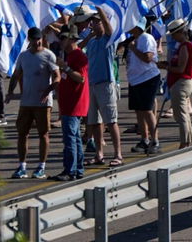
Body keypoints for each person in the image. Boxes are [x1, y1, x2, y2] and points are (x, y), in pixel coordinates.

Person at [7, 27, 60, 179]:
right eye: (34, 39)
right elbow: (16, 75)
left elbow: (57, 77)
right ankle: (22, 166)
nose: (37, 42)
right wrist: (10, 92)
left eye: (39, 39)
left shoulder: (48, 55)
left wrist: (48, 90)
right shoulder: (23, 56)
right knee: (22, 133)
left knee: (43, 133)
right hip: (26, 102)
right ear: (29, 40)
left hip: (43, 103)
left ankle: (41, 166)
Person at [84, 11, 122, 166]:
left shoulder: (109, 40)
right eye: (93, 22)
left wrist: (100, 10)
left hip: (106, 84)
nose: (95, 24)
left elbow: (109, 28)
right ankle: (99, 154)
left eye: (97, 21)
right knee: (94, 122)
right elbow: (77, 48)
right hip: (92, 84)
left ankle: (118, 154)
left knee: (111, 121)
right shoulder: (91, 42)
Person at [54, 28, 88, 180]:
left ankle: (70, 170)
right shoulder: (70, 55)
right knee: (75, 138)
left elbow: (81, 78)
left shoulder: (78, 56)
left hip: (74, 103)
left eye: (63, 38)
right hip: (68, 103)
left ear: (72, 39)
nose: (60, 41)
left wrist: (65, 67)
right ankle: (78, 169)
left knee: (70, 138)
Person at [125, 15, 161, 154]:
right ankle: (144, 139)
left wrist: (133, 49)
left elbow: (147, 58)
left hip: (147, 78)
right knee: (138, 110)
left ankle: (155, 139)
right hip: (135, 79)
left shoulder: (146, 38)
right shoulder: (134, 39)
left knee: (147, 110)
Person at [161, 18, 192, 149]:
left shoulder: (185, 46)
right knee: (183, 114)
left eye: (174, 34)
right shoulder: (182, 46)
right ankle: (187, 140)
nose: (174, 37)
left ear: (180, 32)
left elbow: (181, 69)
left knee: (180, 115)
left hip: (182, 83)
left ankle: (184, 142)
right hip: (179, 83)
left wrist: (166, 67)